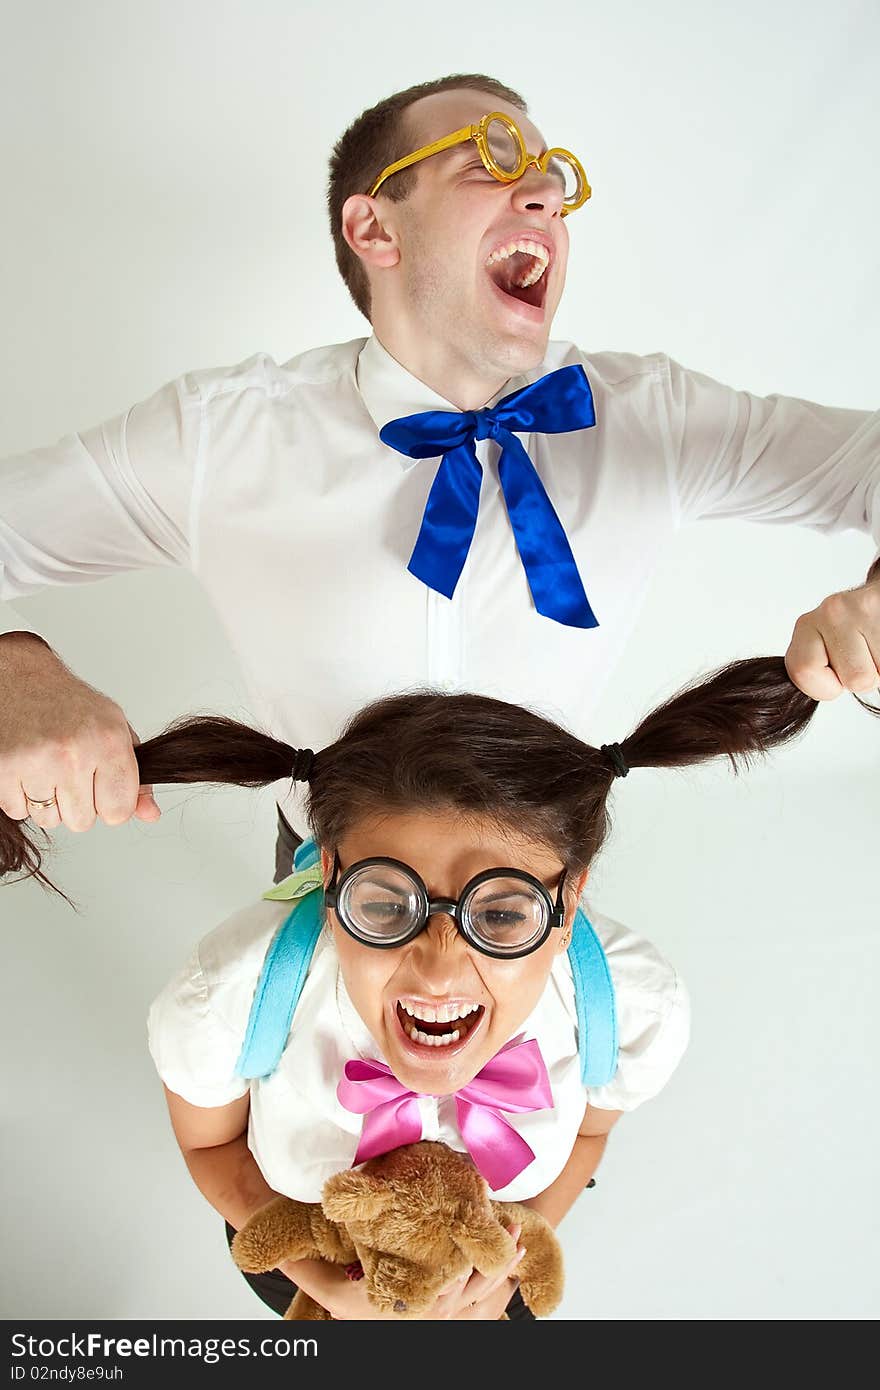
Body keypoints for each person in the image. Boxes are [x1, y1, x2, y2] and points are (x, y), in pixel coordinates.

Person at [0, 72, 878, 879]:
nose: (544, 195)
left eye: (553, 178)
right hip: (322, 881)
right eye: (490, 160)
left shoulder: (651, 416)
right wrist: (15, 669)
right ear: (374, 226)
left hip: (542, 891)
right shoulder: (221, 436)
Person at [7, 655, 870, 1320]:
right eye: (386, 903)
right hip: (308, 1252)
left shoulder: (629, 1007)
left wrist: (508, 1255)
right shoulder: (228, 997)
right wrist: (325, 1291)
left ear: (570, 898)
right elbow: (210, 1151)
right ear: (331, 872)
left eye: (500, 914)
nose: (438, 968)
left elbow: (589, 1143)